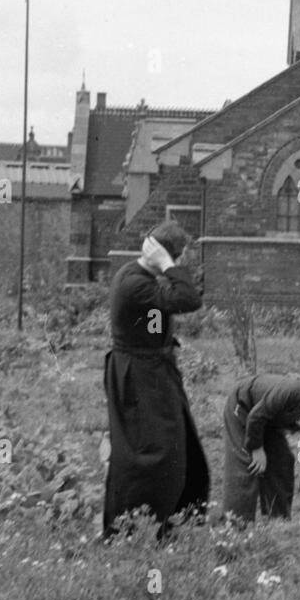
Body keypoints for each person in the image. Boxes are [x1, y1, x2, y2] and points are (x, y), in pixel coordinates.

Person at [102, 221, 209, 538]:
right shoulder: (134, 282)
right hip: (138, 378)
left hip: (152, 372)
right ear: (166, 254)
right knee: (149, 454)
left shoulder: (144, 279)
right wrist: (166, 263)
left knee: (176, 446)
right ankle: (134, 528)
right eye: (175, 257)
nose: (174, 265)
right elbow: (189, 299)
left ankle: (171, 521)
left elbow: (173, 303)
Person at [222, 373, 300, 522]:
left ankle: (278, 521)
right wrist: (256, 449)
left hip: (266, 422)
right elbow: (256, 416)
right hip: (243, 408)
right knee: (247, 463)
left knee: (282, 461)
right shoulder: (293, 392)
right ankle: (235, 525)